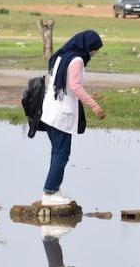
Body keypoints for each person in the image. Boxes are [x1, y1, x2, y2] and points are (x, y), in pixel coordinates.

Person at [40, 30, 106, 206]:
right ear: (88, 46)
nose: (94, 53)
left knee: (57, 152)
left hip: (50, 112)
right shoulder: (77, 60)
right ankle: (49, 192)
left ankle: (53, 189)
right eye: (94, 50)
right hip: (61, 114)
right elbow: (75, 86)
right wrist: (94, 105)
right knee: (62, 153)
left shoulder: (62, 55)